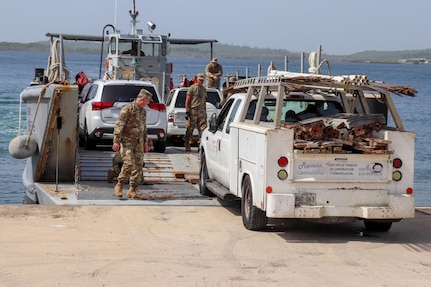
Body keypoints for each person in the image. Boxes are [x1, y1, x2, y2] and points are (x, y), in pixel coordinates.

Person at [112, 89, 152, 199]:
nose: (148, 103)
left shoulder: (143, 111)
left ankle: (132, 189)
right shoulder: (127, 109)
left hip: (138, 142)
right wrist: (116, 141)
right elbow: (119, 125)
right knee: (129, 163)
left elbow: (144, 128)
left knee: (138, 165)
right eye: (148, 101)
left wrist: (145, 143)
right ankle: (119, 185)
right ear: (143, 99)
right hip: (127, 141)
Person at [184, 73, 207, 152]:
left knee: (203, 129)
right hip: (193, 111)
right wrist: (187, 111)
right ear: (197, 79)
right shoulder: (192, 88)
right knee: (190, 128)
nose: (201, 81)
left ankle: (200, 145)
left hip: (201, 112)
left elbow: (204, 101)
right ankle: (187, 143)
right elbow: (187, 100)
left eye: (202, 80)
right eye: (200, 80)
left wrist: (205, 111)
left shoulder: (204, 89)